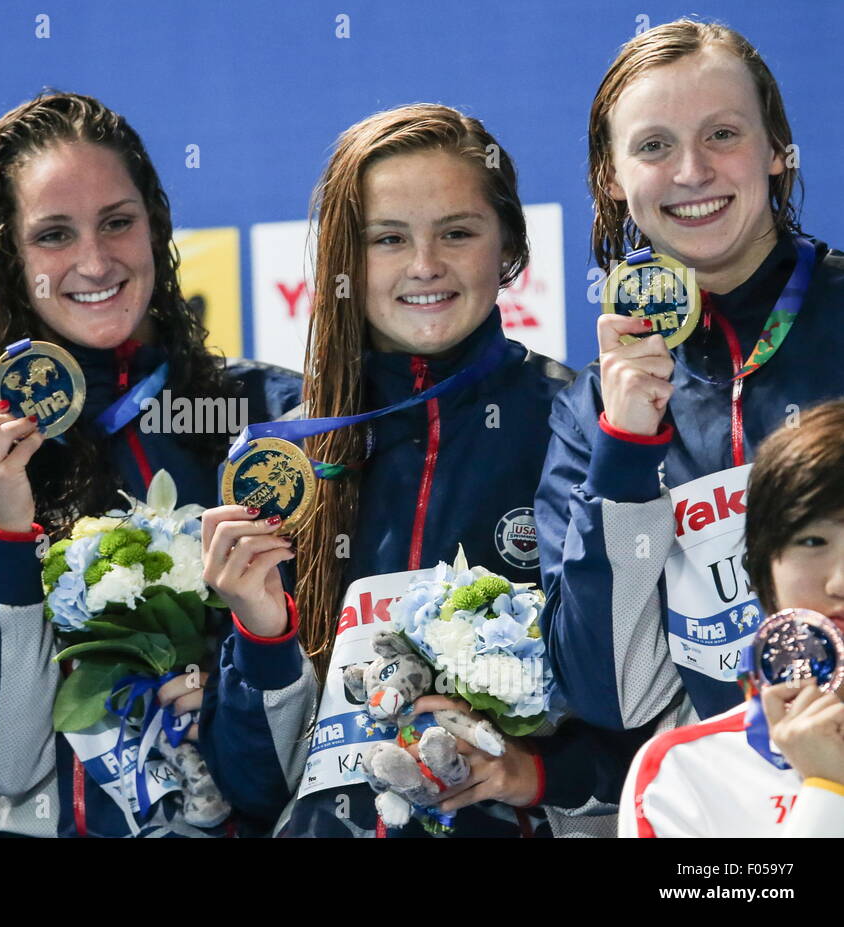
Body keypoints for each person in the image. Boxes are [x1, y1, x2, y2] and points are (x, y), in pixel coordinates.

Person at [198, 104, 642, 838]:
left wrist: (535, 771)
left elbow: (641, 702)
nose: (425, 265)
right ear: (344, 260)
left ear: (508, 247)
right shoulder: (285, 460)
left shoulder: (579, 425)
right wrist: (262, 630)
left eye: (457, 232)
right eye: (388, 239)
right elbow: (253, 784)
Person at [0, 91, 301, 837]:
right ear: (8, 261)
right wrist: (5, 532)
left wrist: (246, 671)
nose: (94, 260)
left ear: (157, 226)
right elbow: (3, 762)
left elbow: (298, 762)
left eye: (118, 221)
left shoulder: (270, 427)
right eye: (53, 234)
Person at [537, 19, 844, 736]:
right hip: (719, 812)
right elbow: (612, 695)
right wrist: (625, 449)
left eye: (723, 134)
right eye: (653, 146)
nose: (691, 171)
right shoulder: (592, 412)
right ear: (610, 179)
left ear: (775, 149)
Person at [622, 400, 844, 836]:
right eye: (813, 540)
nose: (839, 581)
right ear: (763, 573)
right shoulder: (682, 774)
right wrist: (827, 792)